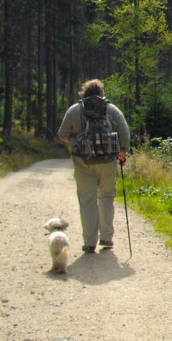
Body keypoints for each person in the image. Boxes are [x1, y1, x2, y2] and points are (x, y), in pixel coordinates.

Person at [57, 79, 131, 254]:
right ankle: (106, 238)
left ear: (84, 93)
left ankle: (90, 243)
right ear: (102, 93)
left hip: (83, 163)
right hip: (108, 162)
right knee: (106, 197)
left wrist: (76, 143)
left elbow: (62, 134)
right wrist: (122, 153)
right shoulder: (112, 110)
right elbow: (125, 133)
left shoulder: (75, 110)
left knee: (87, 201)